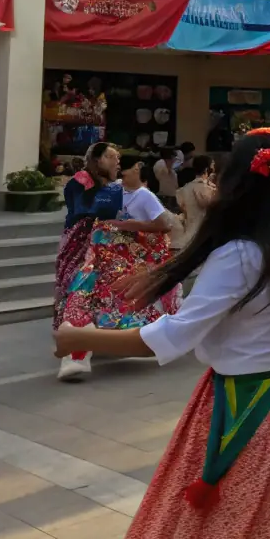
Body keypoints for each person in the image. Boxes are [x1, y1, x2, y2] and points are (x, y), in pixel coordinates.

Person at [53, 128, 270, 539]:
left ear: (238, 184)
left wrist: (78, 336)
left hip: (249, 413)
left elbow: (170, 337)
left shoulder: (239, 256)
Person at [57, 154, 182, 382]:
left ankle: (82, 350)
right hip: (100, 259)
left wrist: (125, 226)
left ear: (138, 168)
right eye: (118, 167)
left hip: (126, 264)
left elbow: (164, 225)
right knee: (79, 297)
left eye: (127, 167)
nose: (121, 171)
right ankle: (76, 355)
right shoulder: (111, 191)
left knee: (115, 302)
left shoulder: (145, 196)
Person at [54, 142, 122, 379]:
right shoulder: (80, 180)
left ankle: (93, 338)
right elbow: (85, 209)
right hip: (79, 245)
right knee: (76, 290)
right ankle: (74, 345)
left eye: (118, 158)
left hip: (100, 245)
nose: (117, 162)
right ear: (97, 160)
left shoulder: (111, 186)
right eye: (112, 157)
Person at [175, 155, 216, 249]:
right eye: (213, 165)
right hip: (202, 235)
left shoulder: (184, 188)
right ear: (207, 168)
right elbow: (207, 204)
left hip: (187, 234)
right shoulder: (204, 187)